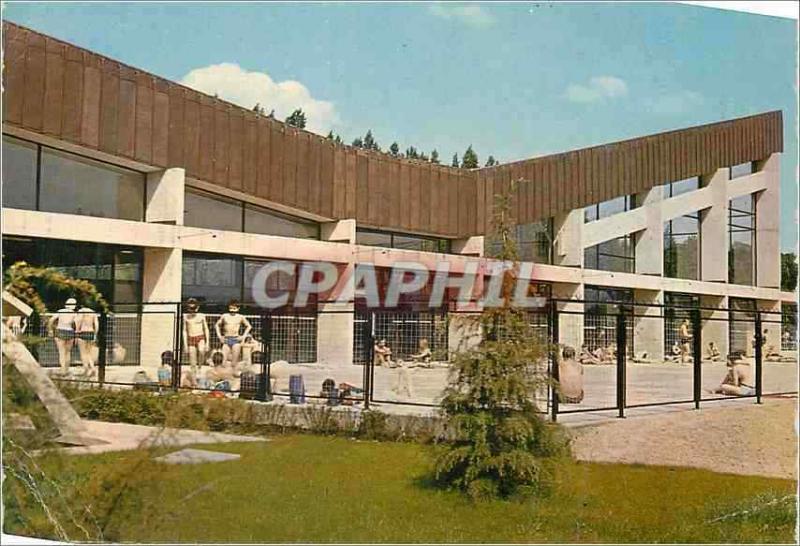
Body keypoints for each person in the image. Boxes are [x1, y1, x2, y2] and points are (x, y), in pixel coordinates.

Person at [215, 300, 252, 368]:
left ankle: (232, 376)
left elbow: (249, 326)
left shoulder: (240, 317)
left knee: (234, 363)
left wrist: (243, 336)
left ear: (238, 309)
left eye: (234, 308)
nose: (232, 310)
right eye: (231, 308)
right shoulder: (225, 316)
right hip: (226, 339)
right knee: (223, 361)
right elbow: (217, 325)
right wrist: (219, 336)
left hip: (235, 339)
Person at [182, 298, 209, 385]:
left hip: (200, 337)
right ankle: (194, 380)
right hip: (191, 338)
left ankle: (200, 366)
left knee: (201, 351)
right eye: (190, 309)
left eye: (194, 309)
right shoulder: (186, 317)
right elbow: (184, 331)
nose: (192, 311)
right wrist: (185, 345)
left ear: (197, 308)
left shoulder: (201, 316)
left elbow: (206, 329)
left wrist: (207, 342)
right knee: (192, 362)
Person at [48, 297, 77, 374]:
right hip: (70, 331)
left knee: (61, 352)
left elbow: (51, 320)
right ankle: (67, 369)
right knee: (68, 352)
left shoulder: (60, 311)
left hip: (60, 330)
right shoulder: (74, 314)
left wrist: (50, 330)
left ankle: (63, 370)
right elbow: (76, 324)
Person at [75, 303, 99, 377]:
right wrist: (95, 334)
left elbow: (78, 322)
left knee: (83, 353)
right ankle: (92, 368)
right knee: (89, 352)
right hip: (91, 332)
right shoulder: (93, 312)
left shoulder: (82, 311)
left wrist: (77, 331)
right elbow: (96, 324)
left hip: (83, 332)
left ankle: (86, 369)